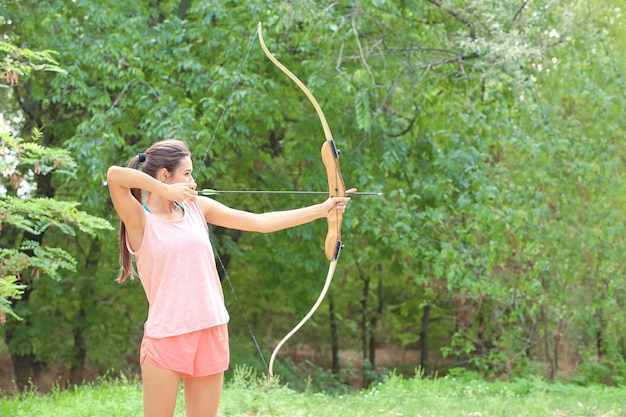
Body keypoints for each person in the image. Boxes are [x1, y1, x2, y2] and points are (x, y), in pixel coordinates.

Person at [106, 139, 353, 417]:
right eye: (187, 174)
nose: (193, 182)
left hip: (211, 328)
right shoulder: (140, 219)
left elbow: (260, 222)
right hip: (167, 336)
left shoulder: (197, 208)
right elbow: (115, 175)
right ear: (165, 175)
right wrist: (165, 191)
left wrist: (323, 209)